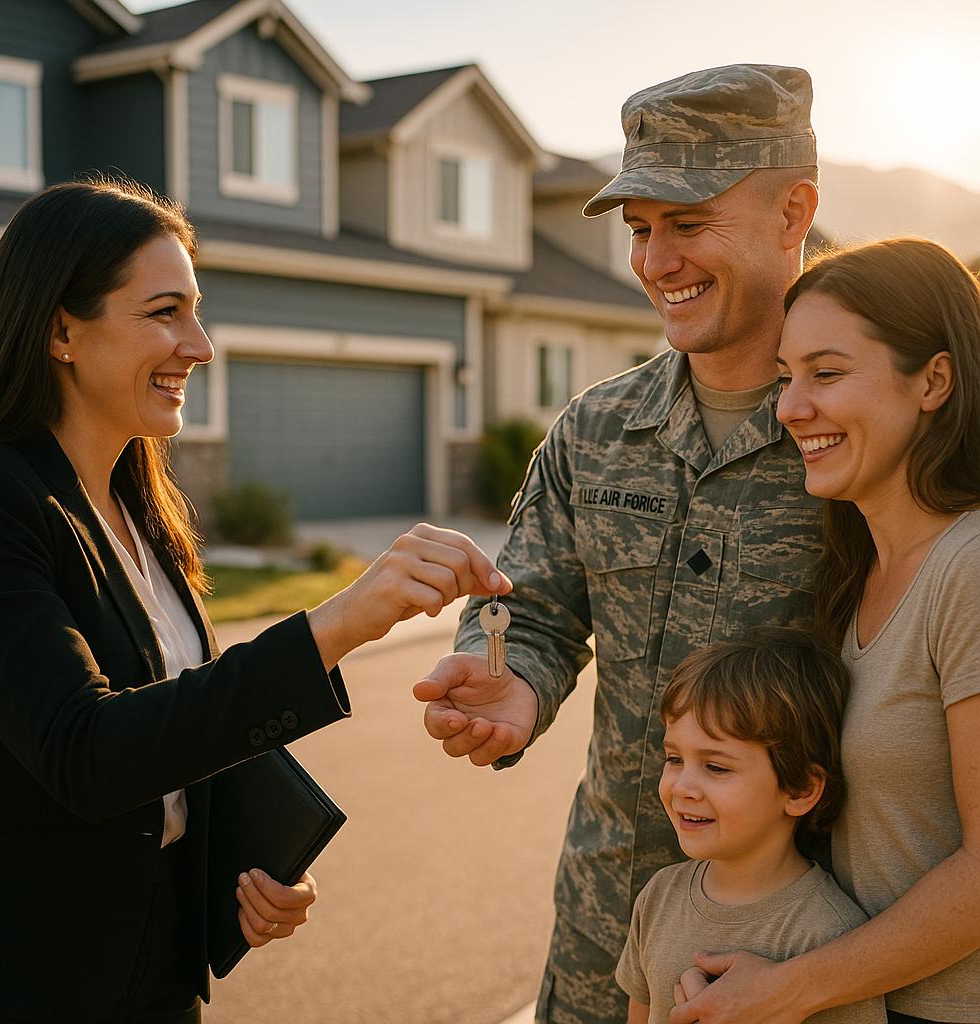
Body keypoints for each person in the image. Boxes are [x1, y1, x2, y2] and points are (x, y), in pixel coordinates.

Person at [0, 177, 511, 1024]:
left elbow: (172, 732)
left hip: (160, 978)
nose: (200, 345)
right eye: (164, 312)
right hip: (32, 984)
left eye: (196, 310)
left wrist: (240, 870)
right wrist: (335, 626)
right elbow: (85, 752)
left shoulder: (141, 510)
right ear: (61, 330)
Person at [413, 64, 821, 1021]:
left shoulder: (858, 431)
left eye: (688, 221)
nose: (655, 260)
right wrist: (506, 676)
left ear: (794, 210)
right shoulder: (596, 430)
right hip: (608, 919)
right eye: (640, 229)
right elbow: (535, 609)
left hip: (799, 940)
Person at [670, 240, 980, 1024]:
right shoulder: (853, 575)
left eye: (827, 373)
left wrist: (790, 986)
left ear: (933, 381)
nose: (791, 408)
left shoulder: (968, 570)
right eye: (786, 377)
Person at [616, 627, 886, 1024]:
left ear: (799, 790)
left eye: (716, 766)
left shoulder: (828, 933)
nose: (683, 787)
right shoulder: (657, 898)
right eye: (674, 759)